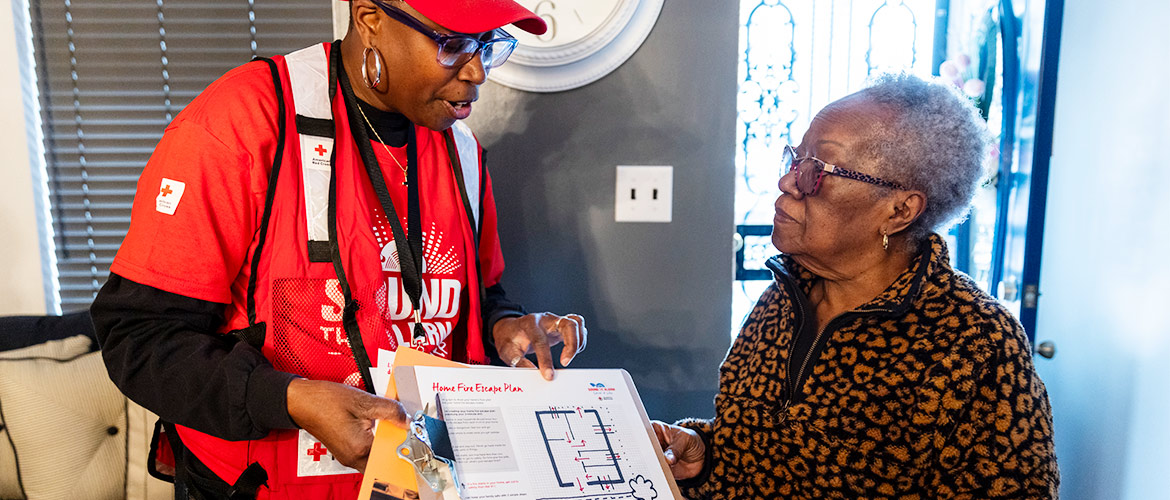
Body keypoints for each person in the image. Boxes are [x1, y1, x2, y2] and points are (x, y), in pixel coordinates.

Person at [90, 1, 587, 498]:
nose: (477, 70)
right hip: (257, 485)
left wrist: (505, 326)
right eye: (453, 43)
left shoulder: (461, 149)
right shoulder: (243, 121)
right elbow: (138, 338)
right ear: (370, 17)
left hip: (419, 480)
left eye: (487, 43)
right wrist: (285, 398)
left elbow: (473, 291)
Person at [652, 73, 1059, 498]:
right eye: (794, 159)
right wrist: (705, 455)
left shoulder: (977, 341)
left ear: (900, 210)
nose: (787, 182)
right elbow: (765, 450)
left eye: (816, 171)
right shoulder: (786, 293)